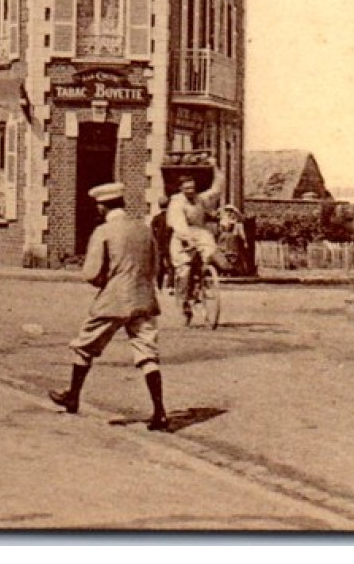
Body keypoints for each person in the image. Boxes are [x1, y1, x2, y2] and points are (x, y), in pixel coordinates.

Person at [49, 182, 169, 431]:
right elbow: (156, 266)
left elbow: (91, 273)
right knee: (147, 353)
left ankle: (73, 396)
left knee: (85, 346)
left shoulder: (103, 232)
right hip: (143, 299)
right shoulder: (144, 230)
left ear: (103, 207)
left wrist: (107, 281)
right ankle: (159, 412)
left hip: (113, 300)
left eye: (99, 206)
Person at [167, 161, 224, 316]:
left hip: (200, 232)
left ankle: (204, 276)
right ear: (181, 189)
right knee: (184, 270)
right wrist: (188, 240)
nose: (190, 191)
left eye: (192, 188)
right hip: (182, 237)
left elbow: (216, 191)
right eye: (187, 189)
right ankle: (184, 300)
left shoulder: (200, 199)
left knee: (210, 251)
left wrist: (215, 168)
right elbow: (178, 224)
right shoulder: (176, 202)